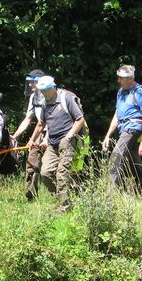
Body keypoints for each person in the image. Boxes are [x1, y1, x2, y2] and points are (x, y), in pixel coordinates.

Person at [27, 76, 86, 212]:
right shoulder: (44, 103)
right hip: (52, 143)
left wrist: (69, 136)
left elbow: (80, 119)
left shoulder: (66, 98)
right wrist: (33, 140)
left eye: (46, 90)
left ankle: (65, 207)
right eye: (42, 91)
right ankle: (66, 197)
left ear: (53, 88)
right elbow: (41, 124)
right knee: (45, 173)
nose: (43, 93)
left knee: (61, 173)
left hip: (68, 142)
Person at [101, 65, 142, 197]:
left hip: (133, 128)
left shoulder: (140, 92)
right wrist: (107, 136)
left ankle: (109, 196)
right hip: (123, 128)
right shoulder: (121, 92)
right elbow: (116, 116)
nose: (118, 80)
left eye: (121, 78)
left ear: (130, 79)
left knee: (115, 157)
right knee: (135, 162)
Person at [12, 69, 46, 201]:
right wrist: (15, 136)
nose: (30, 85)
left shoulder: (50, 95)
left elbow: (45, 122)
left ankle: (65, 194)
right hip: (40, 131)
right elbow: (28, 119)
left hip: (54, 132)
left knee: (54, 165)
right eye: (29, 82)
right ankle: (31, 194)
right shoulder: (33, 97)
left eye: (33, 82)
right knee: (31, 161)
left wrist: (32, 139)